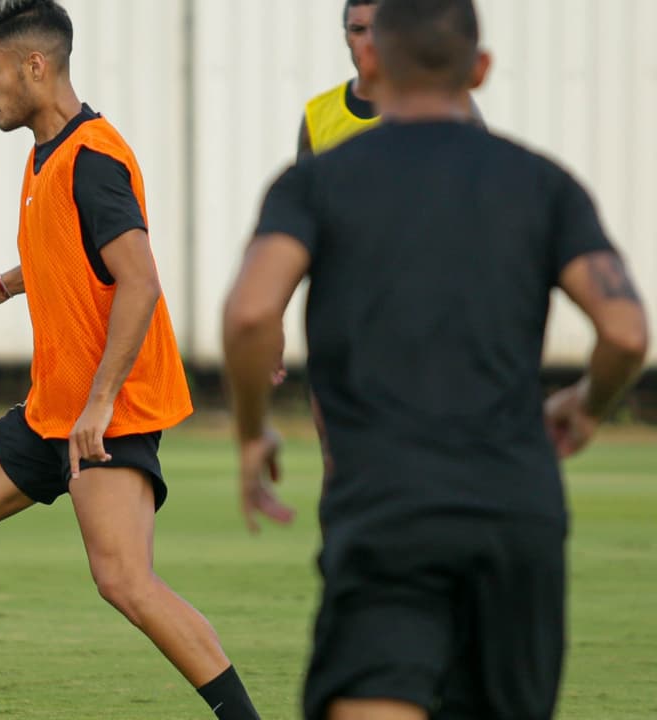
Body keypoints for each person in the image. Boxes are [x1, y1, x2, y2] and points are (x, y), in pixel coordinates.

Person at [222, 0, 649, 718]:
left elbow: (251, 311)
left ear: (374, 64)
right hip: (519, 512)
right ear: (479, 69)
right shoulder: (545, 185)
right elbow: (628, 333)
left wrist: (250, 429)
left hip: (389, 508)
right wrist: (589, 403)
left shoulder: (317, 183)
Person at [0, 2, 264, 719]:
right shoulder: (46, 154)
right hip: (53, 410)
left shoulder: (95, 156)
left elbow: (139, 281)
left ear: (35, 66)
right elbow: (69, 249)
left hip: (109, 412)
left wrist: (102, 402)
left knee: (124, 581)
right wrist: (4, 283)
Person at [297, 0, 483, 160]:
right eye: (358, 30)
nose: (370, 41)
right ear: (346, 36)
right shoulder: (317, 114)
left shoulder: (438, 106)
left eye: (378, 29)